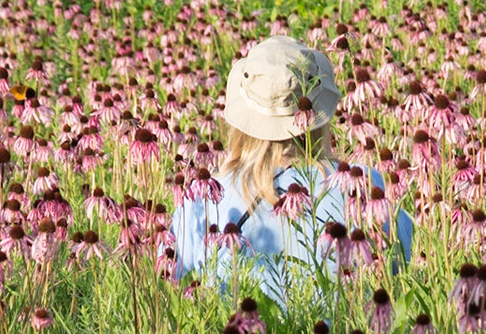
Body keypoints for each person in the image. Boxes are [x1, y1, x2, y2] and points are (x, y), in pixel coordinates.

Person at [169, 36, 413, 309]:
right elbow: (403, 266)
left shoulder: (201, 202)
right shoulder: (365, 184)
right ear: (318, 114)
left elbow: (169, 290)